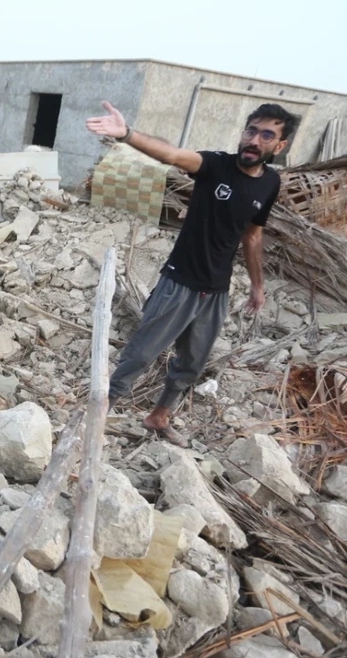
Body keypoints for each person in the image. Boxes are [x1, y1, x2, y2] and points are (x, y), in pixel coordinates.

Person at [85, 101, 297, 445]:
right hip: (179, 282)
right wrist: (126, 134)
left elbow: (253, 235)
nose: (254, 140)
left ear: (279, 146)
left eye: (266, 135)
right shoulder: (215, 166)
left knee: (192, 365)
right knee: (140, 354)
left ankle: (158, 417)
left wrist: (257, 287)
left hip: (215, 291)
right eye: (251, 131)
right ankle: (97, 417)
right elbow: (171, 155)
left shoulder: (269, 183)